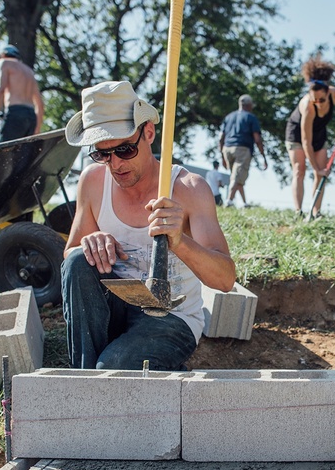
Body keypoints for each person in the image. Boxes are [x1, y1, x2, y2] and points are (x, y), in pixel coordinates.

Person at [61, 81, 236, 371]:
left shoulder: (189, 188)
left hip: (172, 319)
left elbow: (225, 279)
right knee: (79, 260)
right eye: (102, 154)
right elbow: (70, 259)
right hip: (115, 307)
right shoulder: (92, 182)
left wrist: (180, 242)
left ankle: (107, 372)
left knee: (112, 368)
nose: (115, 164)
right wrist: (89, 244)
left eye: (125, 149)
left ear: (150, 133)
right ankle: (84, 376)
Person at [284, 54, 335, 221]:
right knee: (300, 170)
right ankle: (298, 211)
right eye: (315, 100)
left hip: (319, 133)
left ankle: (315, 211)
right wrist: (315, 167)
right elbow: (306, 142)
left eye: (321, 99)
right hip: (298, 135)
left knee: (322, 174)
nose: (319, 103)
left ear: (328, 93)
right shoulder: (308, 107)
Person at [219, 94, 267, 207]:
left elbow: (221, 138)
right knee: (237, 177)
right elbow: (257, 138)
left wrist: (222, 156)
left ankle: (245, 203)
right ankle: (229, 201)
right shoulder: (251, 117)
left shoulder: (228, 117)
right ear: (249, 105)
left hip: (227, 149)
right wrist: (263, 156)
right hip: (242, 149)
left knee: (237, 177)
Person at [0, 44, 44, 142]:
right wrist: (37, 129)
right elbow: (39, 104)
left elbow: (0, 90)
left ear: (3, 54)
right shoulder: (29, 71)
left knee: (3, 153)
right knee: (23, 155)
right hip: (31, 116)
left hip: (16, 112)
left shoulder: (5, 63)